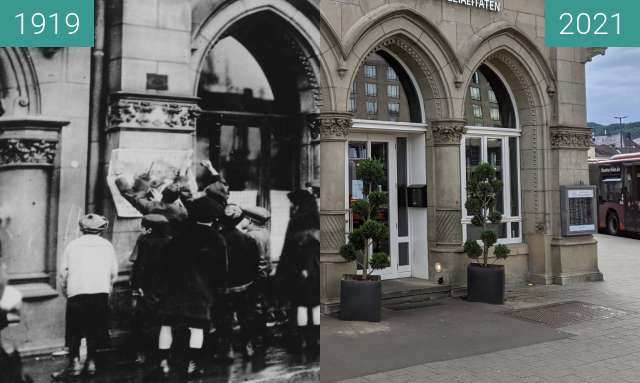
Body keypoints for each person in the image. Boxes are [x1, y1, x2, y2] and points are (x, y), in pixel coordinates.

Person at [154, 197, 225, 378]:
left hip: (173, 288)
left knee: (167, 324)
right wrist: (218, 292)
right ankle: (192, 364)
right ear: (214, 217)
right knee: (197, 327)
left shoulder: (179, 235)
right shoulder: (216, 238)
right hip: (201, 291)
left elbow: (163, 264)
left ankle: (163, 362)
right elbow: (220, 270)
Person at [52, 214, 118, 380]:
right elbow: (113, 272)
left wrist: (65, 289)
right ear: (101, 230)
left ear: (81, 229)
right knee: (95, 327)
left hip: (77, 291)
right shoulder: (107, 246)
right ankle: (91, 362)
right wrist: (108, 288)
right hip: (100, 291)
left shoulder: (73, 245)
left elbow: (63, 272)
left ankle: (74, 363)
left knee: (74, 328)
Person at [213, 204, 260, 359]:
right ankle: (248, 346)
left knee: (223, 318)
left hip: (222, 288)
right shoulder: (248, 239)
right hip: (244, 286)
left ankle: (228, 350)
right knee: (246, 316)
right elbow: (255, 265)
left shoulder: (216, 239)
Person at [275, 190, 320, 349]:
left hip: (298, 270)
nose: (292, 207)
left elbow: (289, 250)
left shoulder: (296, 221)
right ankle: (315, 339)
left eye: (293, 204)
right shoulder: (317, 220)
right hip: (316, 270)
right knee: (315, 304)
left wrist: (284, 272)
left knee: (300, 304)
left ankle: (301, 338)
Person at [129, 214, 172, 365]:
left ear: (149, 228)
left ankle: (142, 353)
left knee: (144, 321)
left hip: (147, 287)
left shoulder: (143, 240)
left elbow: (137, 264)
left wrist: (136, 286)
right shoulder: (171, 241)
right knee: (164, 322)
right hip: (166, 287)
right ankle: (163, 356)